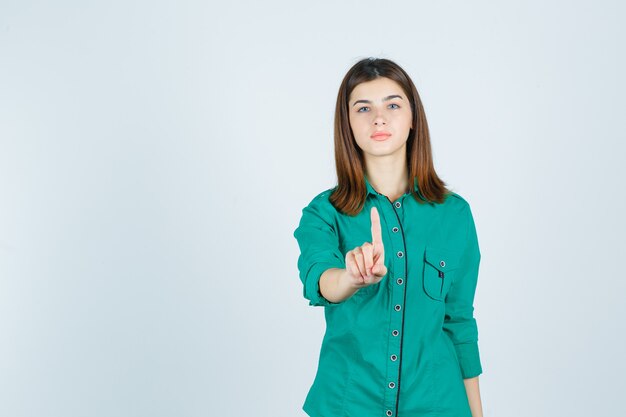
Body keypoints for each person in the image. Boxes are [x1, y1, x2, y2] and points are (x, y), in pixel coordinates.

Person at [293, 57, 484, 417]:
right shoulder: (323, 213)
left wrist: (476, 413)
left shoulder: (454, 214)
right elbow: (321, 279)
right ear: (347, 124)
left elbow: (459, 323)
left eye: (392, 105)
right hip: (347, 404)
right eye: (363, 108)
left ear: (413, 119)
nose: (378, 118)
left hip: (437, 403)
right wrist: (350, 278)